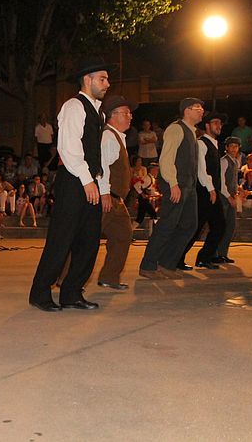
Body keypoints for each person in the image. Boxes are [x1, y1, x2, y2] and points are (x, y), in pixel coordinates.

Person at [29, 57, 113, 311]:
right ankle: (40, 293)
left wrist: (102, 187)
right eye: (102, 79)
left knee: (89, 241)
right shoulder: (74, 106)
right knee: (61, 239)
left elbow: (97, 154)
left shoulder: (99, 112)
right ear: (87, 80)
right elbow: (68, 147)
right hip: (74, 181)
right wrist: (87, 181)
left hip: (90, 181)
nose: (107, 83)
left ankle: (72, 293)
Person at [138, 98, 203, 279]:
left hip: (189, 185)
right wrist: (173, 183)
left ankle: (167, 263)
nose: (201, 111)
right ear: (186, 110)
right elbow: (166, 158)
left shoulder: (192, 132)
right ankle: (148, 265)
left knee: (190, 225)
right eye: (197, 107)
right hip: (176, 184)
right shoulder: (176, 129)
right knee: (167, 224)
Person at [96, 95, 138, 290]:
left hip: (117, 200)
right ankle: (65, 279)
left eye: (130, 113)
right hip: (106, 198)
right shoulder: (108, 137)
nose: (130, 116)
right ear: (112, 115)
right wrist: (104, 193)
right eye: (126, 113)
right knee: (87, 239)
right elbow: (101, 167)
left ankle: (109, 277)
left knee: (123, 235)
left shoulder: (118, 137)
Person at [179, 111, 227, 270]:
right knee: (195, 227)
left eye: (220, 123)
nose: (219, 126)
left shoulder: (215, 144)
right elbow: (201, 169)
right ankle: (177, 258)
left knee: (218, 225)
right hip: (204, 191)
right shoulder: (201, 143)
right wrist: (211, 190)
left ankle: (204, 257)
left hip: (212, 191)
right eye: (215, 122)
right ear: (207, 125)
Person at [214, 136, 241, 264]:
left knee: (231, 226)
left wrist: (238, 191)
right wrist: (228, 196)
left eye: (236, 146)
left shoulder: (236, 162)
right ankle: (215, 254)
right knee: (221, 226)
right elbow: (221, 181)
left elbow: (233, 180)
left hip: (232, 196)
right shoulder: (224, 161)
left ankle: (223, 253)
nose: (234, 149)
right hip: (223, 198)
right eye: (231, 146)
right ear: (226, 147)